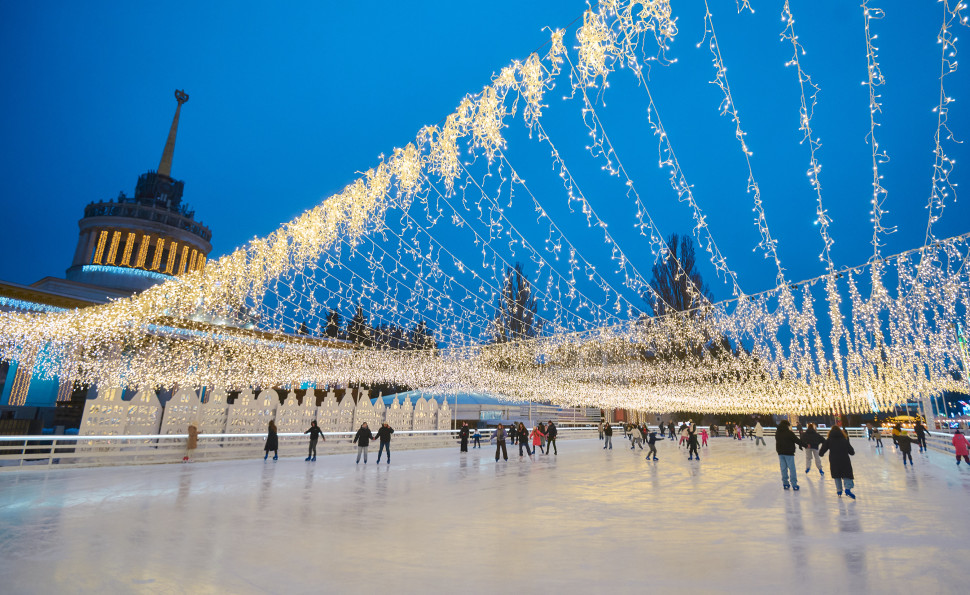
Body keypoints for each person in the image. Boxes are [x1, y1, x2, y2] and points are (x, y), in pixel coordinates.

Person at [819, 425, 856, 499]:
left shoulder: (829, 440)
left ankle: (839, 490)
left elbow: (822, 451)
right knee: (846, 474)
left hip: (834, 460)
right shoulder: (844, 439)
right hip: (844, 459)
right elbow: (851, 452)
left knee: (837, 475)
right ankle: (847, 489)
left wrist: (821, 453)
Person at [774, 420, 805, 490]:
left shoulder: (777, 432)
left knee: (783, 468)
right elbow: (797, 440)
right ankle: (794, 484)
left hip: (780, 453)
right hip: (789, 453)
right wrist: (805, 445)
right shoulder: (789, 433)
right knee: (792, 468)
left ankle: (785, 483)